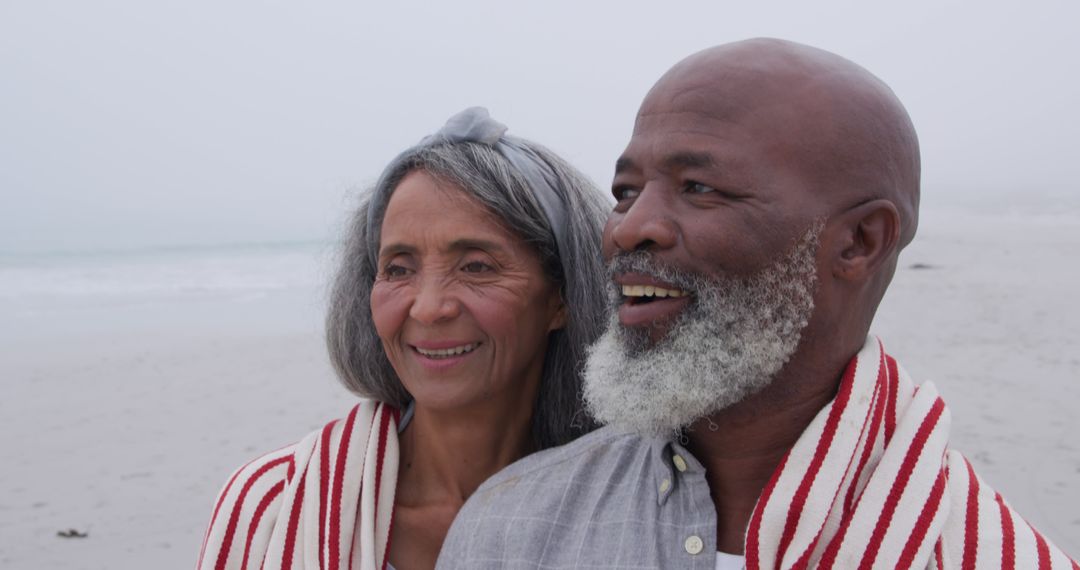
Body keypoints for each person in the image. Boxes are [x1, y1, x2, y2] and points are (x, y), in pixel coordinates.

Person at [437, 40, 1077, 569]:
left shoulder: (984, 552)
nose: (629, 228)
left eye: (698, 188)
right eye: (626, 190)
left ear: (859, 241)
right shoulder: (513, 526)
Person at [197, 107, 611, 570]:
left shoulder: (630, 510)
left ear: (561, 297)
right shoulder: (273, 504)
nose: (429, 307)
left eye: (476, 266)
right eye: (398, 269)